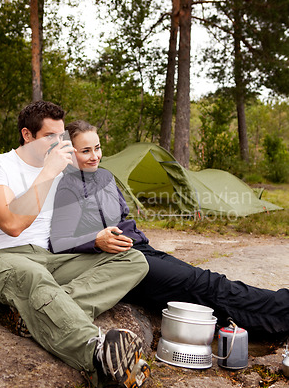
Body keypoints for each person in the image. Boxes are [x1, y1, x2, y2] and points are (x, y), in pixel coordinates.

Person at [0, 101, 151, 388]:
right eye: (49, 137)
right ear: (27, 135)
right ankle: (98, 355)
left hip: (48, 259)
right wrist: (48, 173)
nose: (57, 144)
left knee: (133, 261)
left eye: (60, 137)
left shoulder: (62, 172)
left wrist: (99, 235)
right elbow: (12, 223)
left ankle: (37, 314)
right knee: (33, 276)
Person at [50, 120, 289, 337]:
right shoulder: (68, 188)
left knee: (207, 283)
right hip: (120, 264)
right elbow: (59, 241)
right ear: (70, 153)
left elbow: (123, 216)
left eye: (97, 148)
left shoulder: (105, 177)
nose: (95, 156)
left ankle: (275, 315)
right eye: (85, 151)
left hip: (142, 250)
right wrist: (95, 240)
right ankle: (283, 309)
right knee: (205, 286)